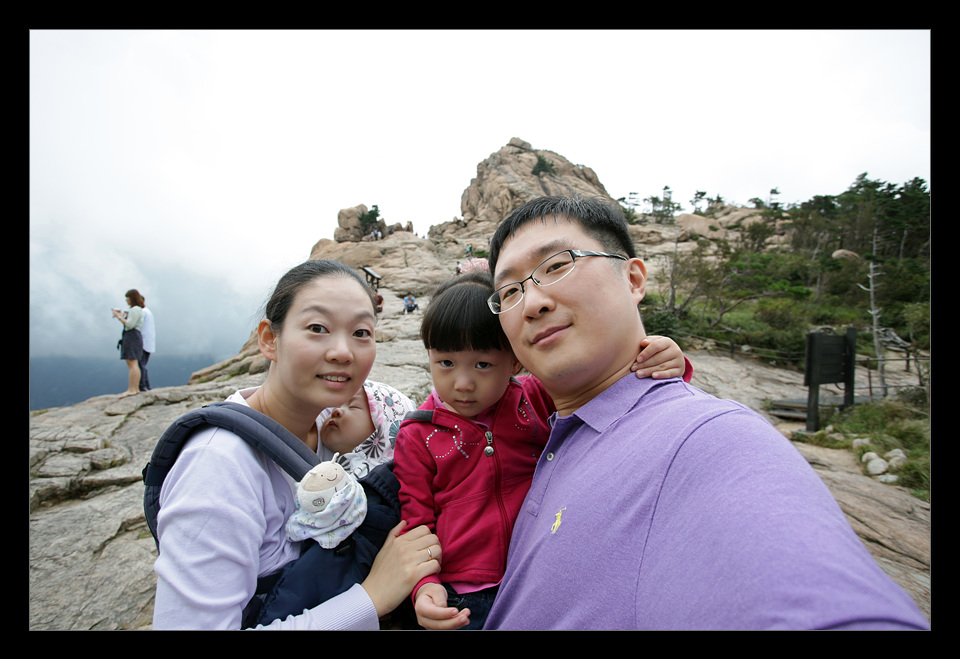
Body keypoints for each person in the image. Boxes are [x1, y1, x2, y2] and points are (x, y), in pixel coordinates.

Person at [481, 195, 930, 630]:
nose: (533, 303)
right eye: (510, 291)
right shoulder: (545, 429)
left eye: (556, 265)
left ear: (633, 280)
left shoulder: (706, 439)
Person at [151, 260, 442, 630]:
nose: (343, 352)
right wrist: (372, 597)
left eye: (361, 332)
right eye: (317, 328)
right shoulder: (217, 466)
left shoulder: (335, 426)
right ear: (269, 339)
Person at [394, 271, 691, 630]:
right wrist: (425, 585)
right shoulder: (418, 434)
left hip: (544, 575)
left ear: (515, 361)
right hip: (463, 595)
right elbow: (416, 520)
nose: (463, 383)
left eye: (483, 364)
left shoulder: (535, 397)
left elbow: (611, 386)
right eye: (446, 363)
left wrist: (664, 359)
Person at [112, 289, 145, 397]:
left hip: (132, 336)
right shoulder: (138, 309)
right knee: (134, 363)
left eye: (127, 297)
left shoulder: (135, 309)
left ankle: (132, 389)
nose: (126, 300)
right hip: (135, 336)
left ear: (132, 298)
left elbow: (129, 325)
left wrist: (118, 316)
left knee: (132, 363)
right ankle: (135, 388)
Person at [139, 298, 155, 391]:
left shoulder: (142, 312)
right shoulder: (148, 312)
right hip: (148, 342)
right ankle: (146, 385)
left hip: (142, 342)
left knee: (140, 365)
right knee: (142, 365)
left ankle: (143, 385)